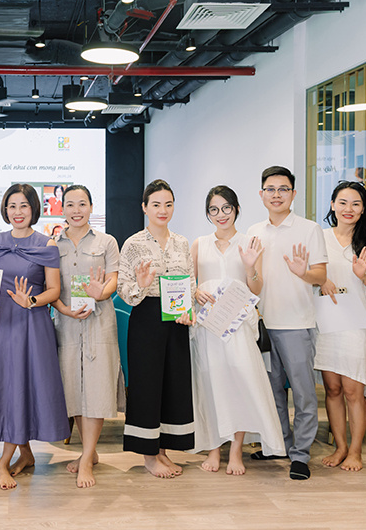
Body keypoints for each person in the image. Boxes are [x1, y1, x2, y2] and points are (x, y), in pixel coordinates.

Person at [190, 186, 285, 475]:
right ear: (208, 214)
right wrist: (195, 292)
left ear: (237, 209)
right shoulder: (199, 244)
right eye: (214, 210)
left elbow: (256, 288)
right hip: (207, 327)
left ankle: (235, 450)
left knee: (240, 383)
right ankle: (213, 448)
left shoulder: (249, 243)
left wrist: (250, 267)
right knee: (210, 384)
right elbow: (189, 283)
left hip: (238, 326)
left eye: (226, 208)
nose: (221, 215)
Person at [0, 183, 69, 490]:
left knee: (26, 387)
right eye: (12, 206)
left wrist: (30, 300)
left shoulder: (46, 243)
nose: (17, 212)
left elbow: (54, 290)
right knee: (9, 388)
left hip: (32, 324)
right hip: (2, 324)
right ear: (5, 209)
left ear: (34, 208)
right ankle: (26, 454)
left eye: (24, 206)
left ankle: (2, 463)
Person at [247, 166, 327, 481]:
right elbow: (252, 280)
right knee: (272, 392)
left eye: (283, 189)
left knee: (303, 394)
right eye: (270, 189)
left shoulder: (309, 229)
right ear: (261, 194)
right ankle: (279, 445)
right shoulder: (254, 231)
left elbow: (320, 276)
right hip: (263, 325)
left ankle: (301, 455)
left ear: (293, 193)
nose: (276, 194)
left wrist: (303, 272)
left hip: (297, 324)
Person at [117, 179, 194, 479]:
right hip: (146, 318)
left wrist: (188, 311)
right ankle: (149, 456)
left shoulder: (182, 242)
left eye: (168, 204)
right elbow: (124, 290)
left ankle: (162, 451)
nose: (163, 210)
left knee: (173, 385)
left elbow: (190, 282)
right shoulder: (133, 244)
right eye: (156, 204)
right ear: (145, 207)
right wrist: (141, 284)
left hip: (176, 321)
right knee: (147, 386)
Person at [315, 181, 366, 472]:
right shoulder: (319, 238)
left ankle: (356, 451)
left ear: (363, 209)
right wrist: (321, 280)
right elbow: (308, 275)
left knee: (353, 390)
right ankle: (340, 447)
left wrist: (364, 276)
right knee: (332, 389)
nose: (349, 209)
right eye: (343, 202)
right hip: (327, 324)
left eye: (356, 204)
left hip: (360, 326)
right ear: (332, 205)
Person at [52, 185, 123, 488]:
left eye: (82, 204)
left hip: (99, 322)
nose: (76, 210)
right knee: (75, 388)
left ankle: (86, 459)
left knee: (96, 388)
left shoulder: (107, 242)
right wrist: (63, 309)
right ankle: (89, 452)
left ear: (91, 207)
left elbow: (114, 279)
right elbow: (51, 286)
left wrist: (101, 292)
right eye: (70, 204)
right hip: (66, 324)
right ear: (62, 209)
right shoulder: (53, 245)